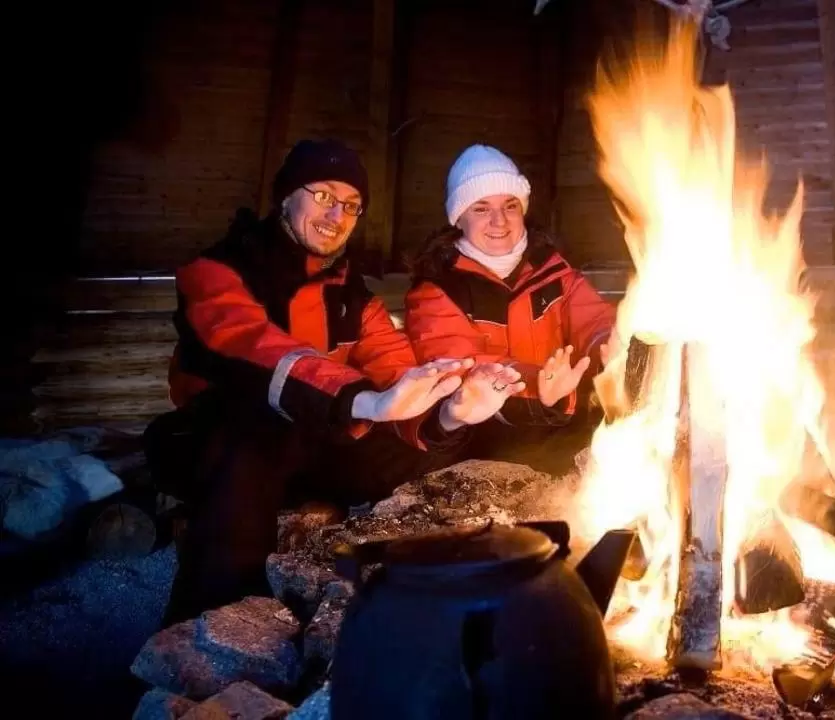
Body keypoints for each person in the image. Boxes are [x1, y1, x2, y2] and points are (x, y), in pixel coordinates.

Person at [144, 138, 525, 625]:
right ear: (286, 196)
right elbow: (255, 347)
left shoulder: (353, 297)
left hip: (314, 448)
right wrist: (362, 401)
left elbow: (396, 370)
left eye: (351, 205)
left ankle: (428, 598)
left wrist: (451, 411)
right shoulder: (217, 273)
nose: (336, 215)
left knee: (424, 447)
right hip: (213, 445)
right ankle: (215, 631)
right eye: (323, 195)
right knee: (253, 435)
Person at [404, 144, 618, 475]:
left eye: (510, 205)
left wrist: (611, 346)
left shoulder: (552, 269)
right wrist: (538, 385)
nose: (499, 220)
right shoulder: (437, 291)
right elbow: (461, 366)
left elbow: (594, 319)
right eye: (480, 208)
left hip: (557, 423)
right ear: (458, 218)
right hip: (481, 445)